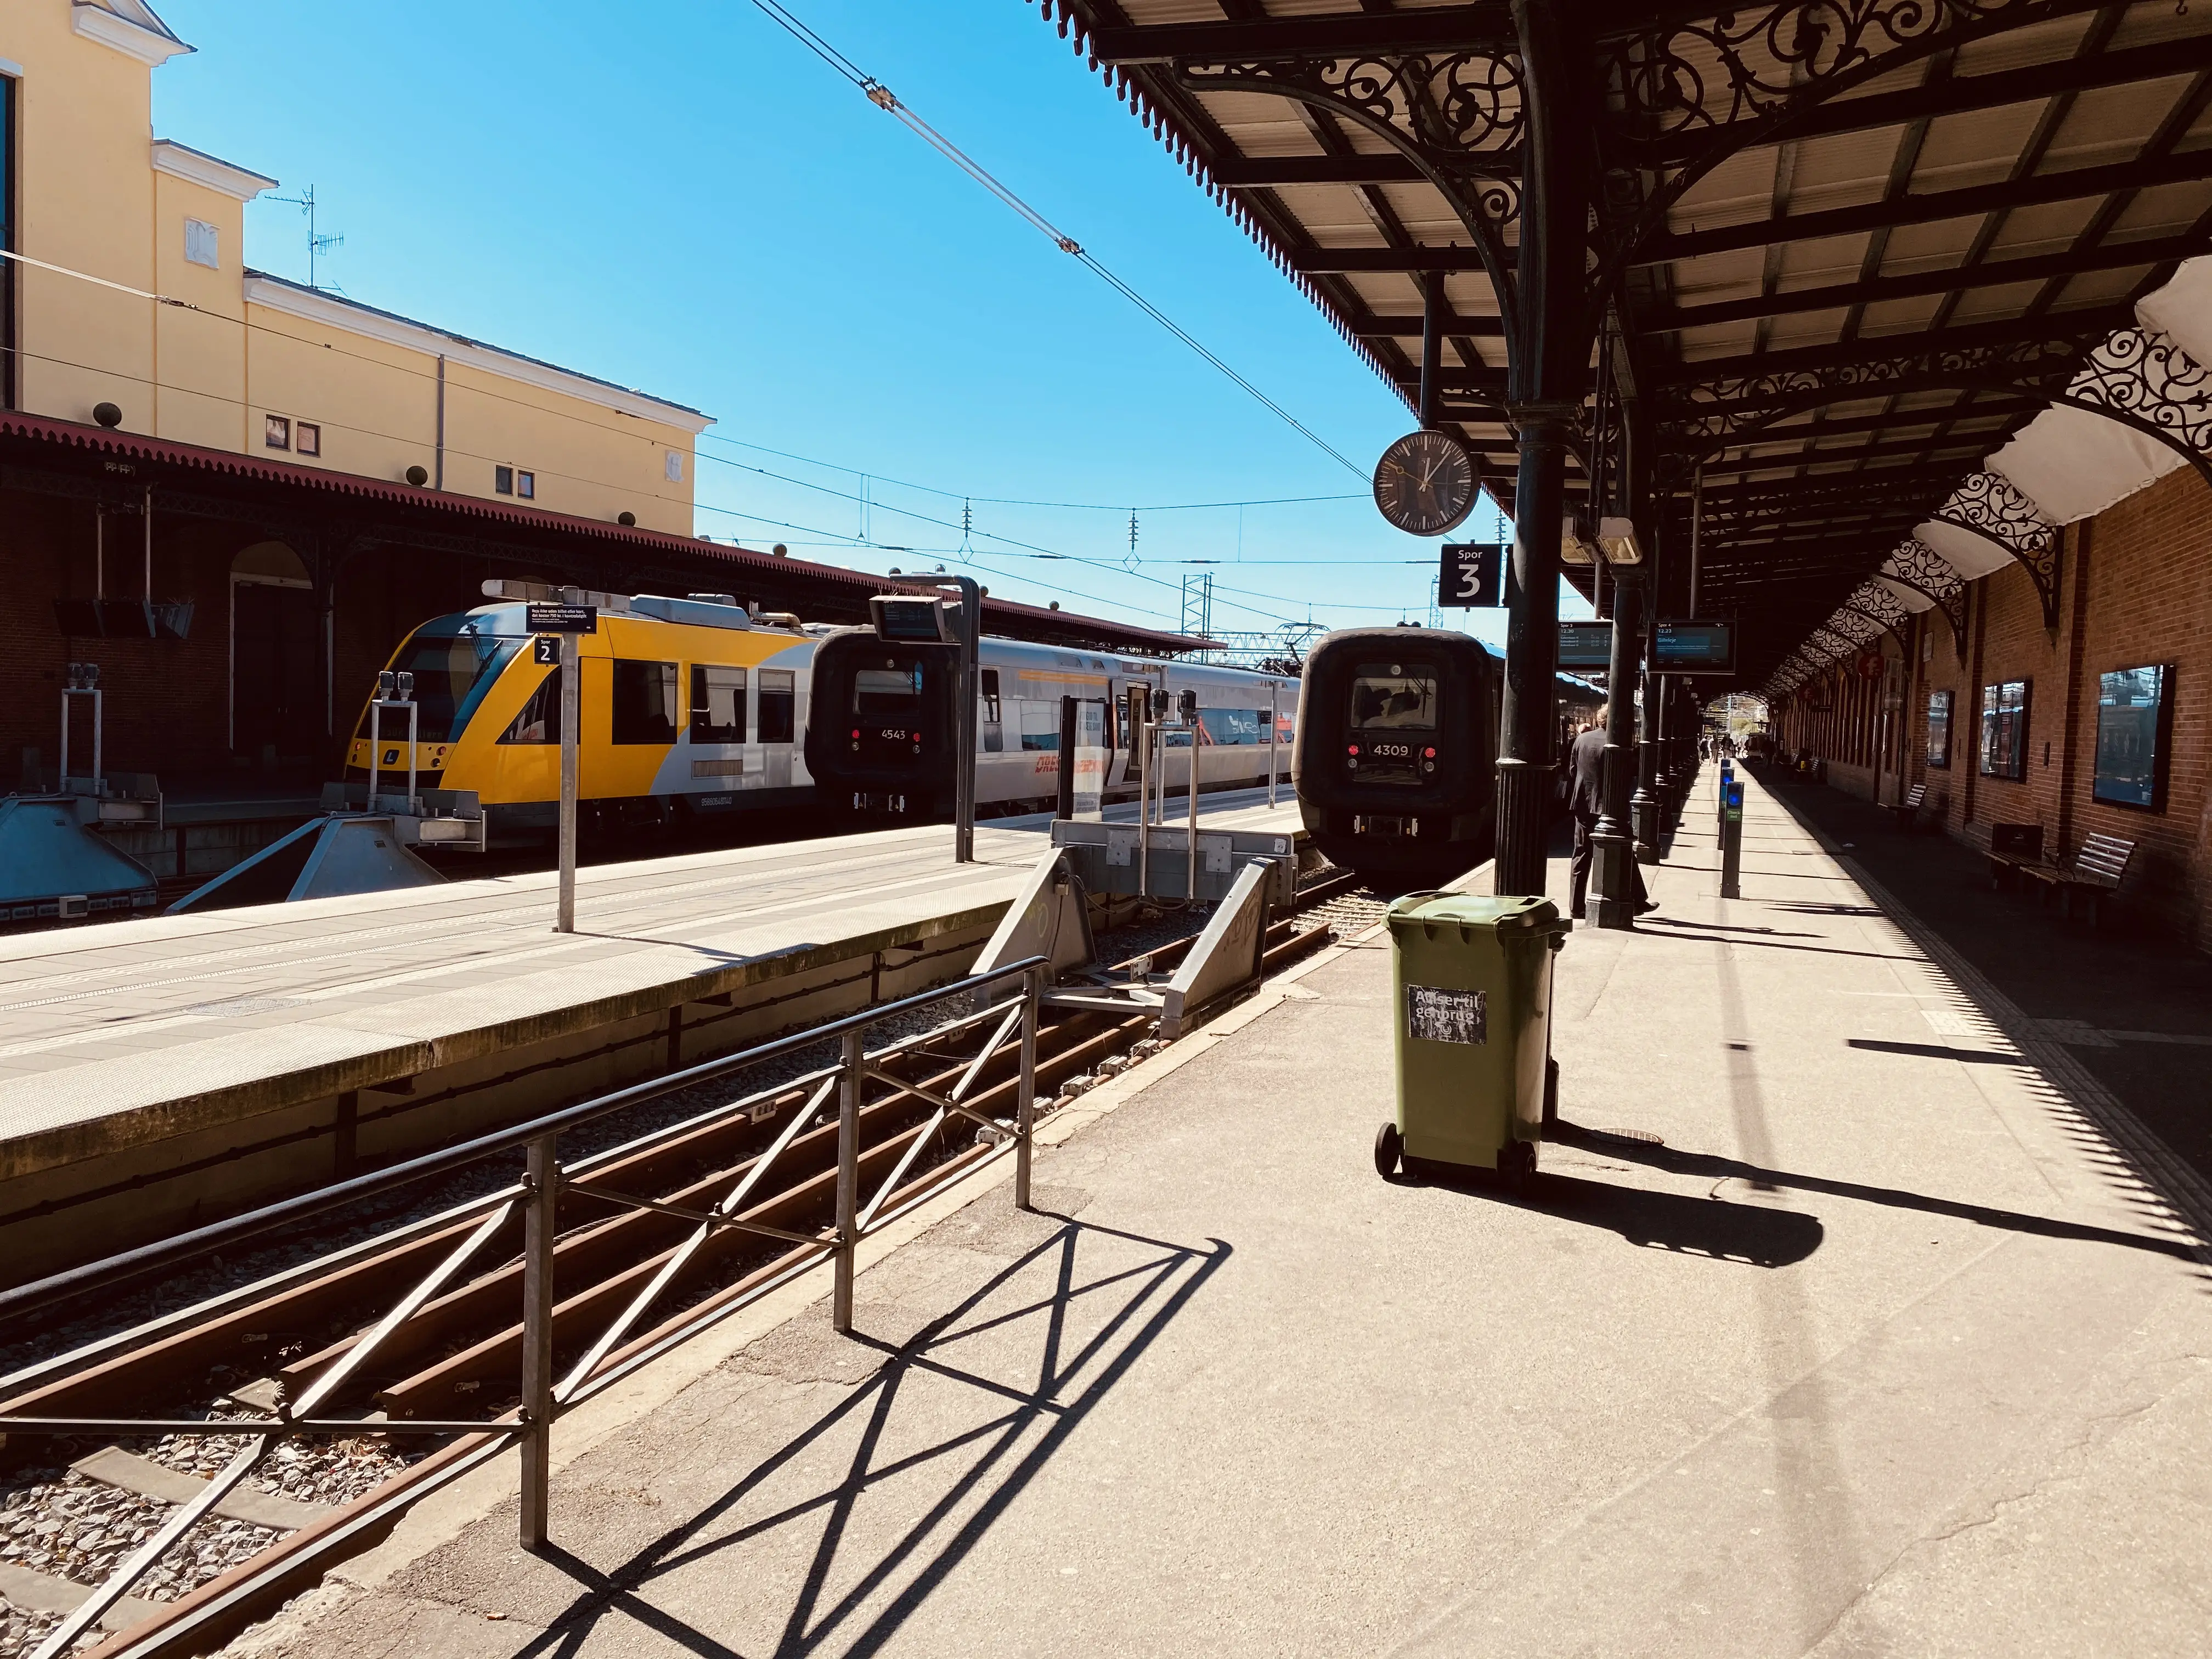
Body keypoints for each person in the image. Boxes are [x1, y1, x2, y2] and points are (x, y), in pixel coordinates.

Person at [1567, 706, 1653, 922]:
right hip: (1610, 806)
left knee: (1581, 855)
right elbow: (1630, 774)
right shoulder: (1620, 746)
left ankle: (1576, 907)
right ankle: (1637, 900)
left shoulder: (1581, 740)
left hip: (1584, 804)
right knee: (1624, 852)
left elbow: (1572, 770)